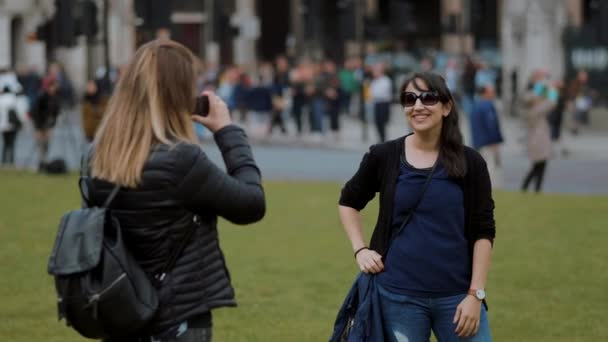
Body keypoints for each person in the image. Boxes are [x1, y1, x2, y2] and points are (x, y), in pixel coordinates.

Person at [85, 39, 266, 341]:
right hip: (177, 317)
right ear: (179, 94)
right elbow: (251, 204)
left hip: (118, 306)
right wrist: (228, 132)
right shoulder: (181, 160)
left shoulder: (95, 157)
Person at [338, 72, 495, 341]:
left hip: (457, 296)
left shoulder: (471, 162)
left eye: (428, 98)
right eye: (409, 99)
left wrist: (475, 294)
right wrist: (360, 249)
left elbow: (483, 231)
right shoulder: (384, 155)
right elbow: (348, 202)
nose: (418, 106)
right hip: (398, 297)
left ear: (446, 107)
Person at [521, 77, 557, 193]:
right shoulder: (536, 109)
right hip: (539, 141)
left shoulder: (531, 109)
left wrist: (540, 88)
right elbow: (552, 102)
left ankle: (531, 188)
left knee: (538, 166)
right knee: (539, 166)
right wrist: (551, 89)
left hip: (535, 141)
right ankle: (532, 188)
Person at [470, 84, 504, 189]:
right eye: (491, 92)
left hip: (478, 141)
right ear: (486, 93)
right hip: (488, 142)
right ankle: (490, 187)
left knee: (482, 165)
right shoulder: (488, 106)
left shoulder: (475, 106)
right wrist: (495, 141)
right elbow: (491, 125)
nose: (493, 94)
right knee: (490, 166)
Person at [31, 79, 60, 170]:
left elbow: (56, 112)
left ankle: (45, 162)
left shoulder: (55, 97)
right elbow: (35, 111)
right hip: (40, 124)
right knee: (40, 144)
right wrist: (39, 126)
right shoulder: (42, 96)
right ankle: (40, 163)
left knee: (46, 144)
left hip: (48, 125)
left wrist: (53, 123)